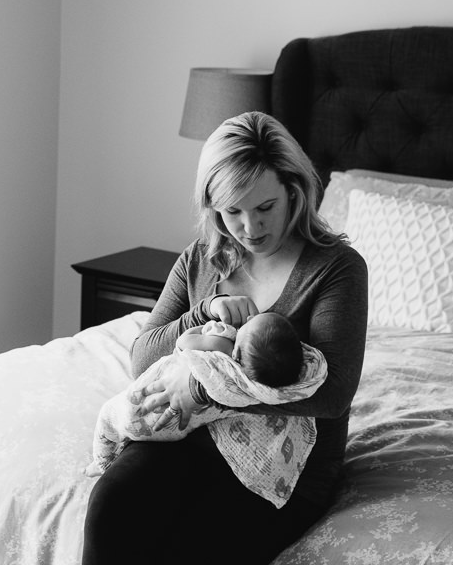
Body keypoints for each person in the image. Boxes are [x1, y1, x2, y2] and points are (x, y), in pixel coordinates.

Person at [81, 111, 369, 565]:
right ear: (212, 205)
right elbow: (142, 357)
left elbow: (332, 394)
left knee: (188, 548)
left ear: (294, 191)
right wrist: (204, 311)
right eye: (232, 211)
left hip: (283, 470)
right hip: (184, 442)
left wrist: (202, 387)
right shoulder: (199, 260)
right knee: (110, 506)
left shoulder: (335, 269)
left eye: (265, 208)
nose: (250, 228)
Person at [86, 313, 326, 507]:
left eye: (249, 324)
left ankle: (102, 459)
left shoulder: (222, 346)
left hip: (161, 415)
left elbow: (184, 344)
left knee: (110, 415)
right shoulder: (261, 382)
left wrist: (202, 331)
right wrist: (204, 307)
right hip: (179, 431)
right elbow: (140, 359)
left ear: (238, 353)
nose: (246, 320)